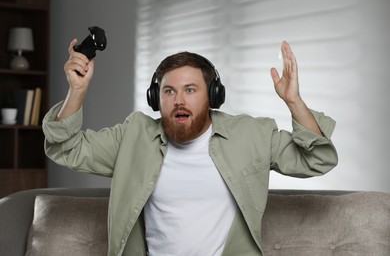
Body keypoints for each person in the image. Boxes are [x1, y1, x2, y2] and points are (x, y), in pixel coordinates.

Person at [43, 39, 338, 256]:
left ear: (213, 96)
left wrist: (294, 102)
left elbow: (317, 159)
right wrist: (77, 92)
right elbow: (65, 147)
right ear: (155, 99)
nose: (179, 100)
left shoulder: (252, 135)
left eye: (190, 90)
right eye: (169, 91)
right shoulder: (134, 136)